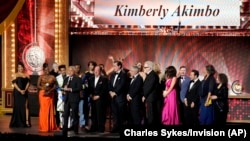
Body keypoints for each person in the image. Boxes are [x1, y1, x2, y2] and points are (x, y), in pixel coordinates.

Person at [37, 63, 58, 132]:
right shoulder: (41, 77)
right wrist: (44, 88)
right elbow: (38, 86)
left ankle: (50, 126)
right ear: (43, 70)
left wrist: (50, 90)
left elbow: (55, 86)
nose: (47, 71)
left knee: (50, 110)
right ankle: (44, 126)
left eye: (48, 70)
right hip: (43, 94)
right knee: (43, 110)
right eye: (45, 70)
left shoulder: (52, 77)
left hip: (50, 94)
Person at [62, 66, 82, 137]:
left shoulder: (78, 79)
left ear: (74, 71)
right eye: (69, 70)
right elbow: (63, 87)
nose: (70, 72)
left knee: (75, 115)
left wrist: (70, 89)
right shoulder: (66, 79)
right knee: (65, 115)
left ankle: (75, 129)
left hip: (74, 99)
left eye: (71, 70)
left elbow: (79, 88)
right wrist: (64, 90)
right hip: (67, 100)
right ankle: (64, 130)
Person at [108, 60, 128, 132]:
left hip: (120, 98)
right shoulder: (112, 75)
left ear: (119, 66)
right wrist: (110, 91)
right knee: (115, 113)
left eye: (114, 66)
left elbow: (121, 85)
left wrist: (115, 92)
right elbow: (109, 84)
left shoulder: (124, 75)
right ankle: (115, 127)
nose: (113, 67)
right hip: (113, 98)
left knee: (121, 114)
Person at [9, 62, 31, 128]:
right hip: (17, 92)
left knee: (26, 106)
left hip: (25, 92)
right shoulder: (15, 75)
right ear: (17, 68)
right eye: (19, 67)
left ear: (23, 68)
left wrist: (24, 90)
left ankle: (26, 121)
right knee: (18, 106)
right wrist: (20, 90)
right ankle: (17, 121)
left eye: (21, 67)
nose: (20, 68)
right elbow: (14, 84)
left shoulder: (27, 75)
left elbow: (28, 83)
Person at [88, 65, 109, 132]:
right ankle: (94, 127)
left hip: (100, 99)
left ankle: (101, 128)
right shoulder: (90, 79)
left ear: (100, 71)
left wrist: (99, 96)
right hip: (93, 99)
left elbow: (105, 89)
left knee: (100, 114)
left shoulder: (104, 79)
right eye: (95, 70)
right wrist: (91, 95)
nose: (96, 72)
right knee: (93, 114)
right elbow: (89, 89)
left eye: (98, 70)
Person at [142, 61, 161, 125]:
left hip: (151, 98)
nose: (143, 68)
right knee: (151, 114)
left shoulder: (152, 75)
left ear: (150, 68)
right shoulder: (150, 75)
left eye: (145, 67)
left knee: (151, 115)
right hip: (150, 97)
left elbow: (149, 87)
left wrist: (144, 95)